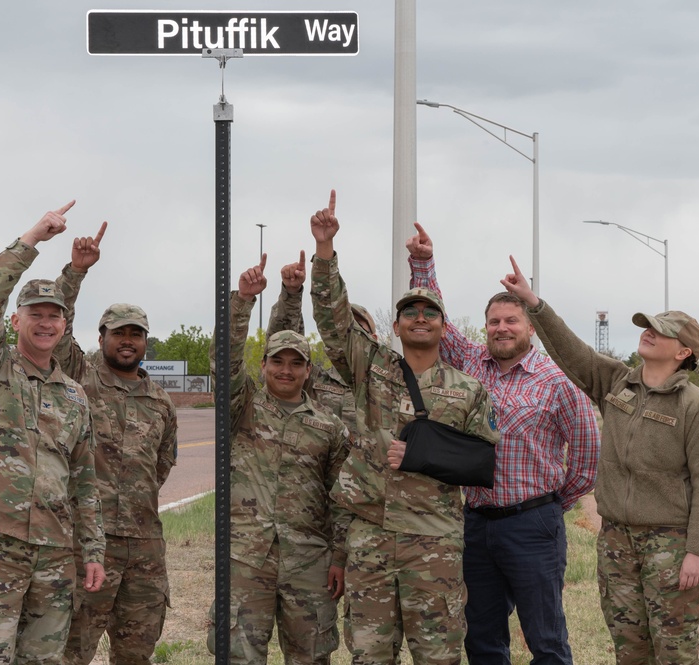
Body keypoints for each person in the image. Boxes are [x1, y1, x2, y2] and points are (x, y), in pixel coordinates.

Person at [500, 255, 699, 664]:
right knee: (630, 651)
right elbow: (574, 353)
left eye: (662, 332)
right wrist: (534, 303)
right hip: (617, 541)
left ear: (684, 352)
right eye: (648, 327)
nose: (649, 333)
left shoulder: (698, 408)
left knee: (674, 651)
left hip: (670, 545)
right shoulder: (619, 383)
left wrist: (697, 550)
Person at [309, 190, 500, 665]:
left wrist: (423, 455)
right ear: (394, 325)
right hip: (371, 537)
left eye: (429, 312)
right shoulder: (368, 367)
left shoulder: (468, 390)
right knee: (370, 655)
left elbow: (481, 463)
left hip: (433, 542)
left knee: (438, 655)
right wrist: (326, 250)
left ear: (442, 324)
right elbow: (333, 320)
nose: (420, 317)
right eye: (410, 311)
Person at [406, 222, 600, 664]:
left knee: (546, 640)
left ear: (530, 328)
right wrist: (423, 263)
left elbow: (588, 460)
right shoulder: (473, 363)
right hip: (474, 524)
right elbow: (441, 323)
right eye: (494, 321)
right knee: (482, 639)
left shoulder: (558, 382)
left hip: (533, 526)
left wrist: (549, 505)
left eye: (511, 320)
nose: (501, 328)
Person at [0, 200, 106, 665]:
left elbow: (84, 481)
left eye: (53, 315)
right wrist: (32, 239)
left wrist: (92, 550)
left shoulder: (74, 395)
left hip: (55, 554)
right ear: (15, 320)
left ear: (63, 324)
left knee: (44, 659)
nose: (45, 322)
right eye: (35, 313)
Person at [206, 253, 352, 664]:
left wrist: (339, 557)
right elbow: (225, 359)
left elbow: (341, 499)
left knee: (311, 656)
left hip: (308, 562)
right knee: (238, 655)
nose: (286, 370)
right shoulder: (242, 408)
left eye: (296, 363)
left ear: (309, 370)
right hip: (244, 558)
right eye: (277, 361)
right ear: (265, 365)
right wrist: (242, 301)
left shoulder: (329, 427)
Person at [51, 223, 179, 665]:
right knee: (72, 649)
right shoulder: (78, 376)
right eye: (119, 333)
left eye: (136, 334)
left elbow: (161, 466)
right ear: (101, 335)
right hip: (87, 542)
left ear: (145, 341)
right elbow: (56, 326)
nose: (128, 342)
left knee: (137, 652)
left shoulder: (160, 401)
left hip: (144, 545)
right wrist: (76, 272)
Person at [267, 248, 377, 433]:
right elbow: (284, 343)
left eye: (357, 330)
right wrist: (291, 294)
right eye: (343, 329)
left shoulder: (387, 385)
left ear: (373, 339)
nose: (348, 336)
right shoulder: (314, 379)